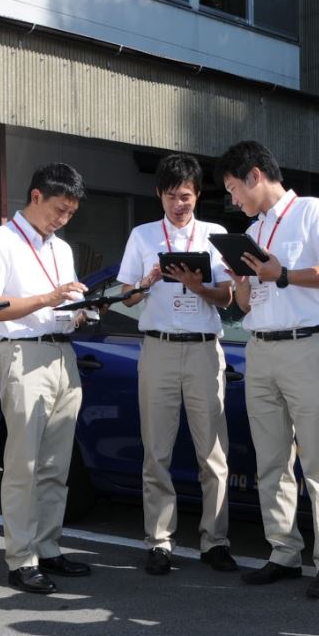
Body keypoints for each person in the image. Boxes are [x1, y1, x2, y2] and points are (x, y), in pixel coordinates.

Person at [215, 140, 319, 599]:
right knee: (271, 459)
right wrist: (242, 283)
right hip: (260, 347)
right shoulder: (255, 231)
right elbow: (252, 301)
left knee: (317, 458)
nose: (234, 200)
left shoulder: (313, 211)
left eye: (235, 189)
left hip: (305, 346)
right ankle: (283, 551)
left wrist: (284, 273)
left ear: (255, 175)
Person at [116, 154, 237, 575]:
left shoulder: (214, 234)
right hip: (158, 346)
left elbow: (228, 299)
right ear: (159, 195)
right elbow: (126, 297)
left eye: (185, 196)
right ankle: (159, 540)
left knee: (213, 452)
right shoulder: (143, 235)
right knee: (157, 450)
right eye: (171, 197)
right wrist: (147, 283)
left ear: (198, 195)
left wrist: (196, 286)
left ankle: (215, 540)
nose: (178, 205)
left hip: (205, 347)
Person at [0, 163, 91, 595]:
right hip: (23, 353)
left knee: (57, 464)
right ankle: (21, 559)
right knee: (23, 463)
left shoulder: (61, 248)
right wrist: (48, 298)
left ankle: (49, 546)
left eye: (71, 213)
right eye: (59, 209)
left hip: (63, 353)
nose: (63, 219)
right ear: (36, 196)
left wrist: (78, 311)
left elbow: (63, 303)